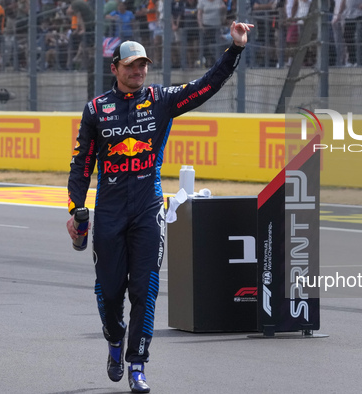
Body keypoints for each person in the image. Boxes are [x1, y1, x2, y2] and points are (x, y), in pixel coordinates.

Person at [66, 22, 252, 393]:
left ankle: (137, 363)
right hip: (109, 211)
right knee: (109, 291)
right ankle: (114, 340)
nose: (138, 71)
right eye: (131, 66)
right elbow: (81, 164)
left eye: (143, 66)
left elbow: (204, 87)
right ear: (115, 68)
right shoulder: (96, 109)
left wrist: (235, 49)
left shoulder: (161, 99)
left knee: (145, 290)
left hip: (148, 207)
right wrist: (76, 209)